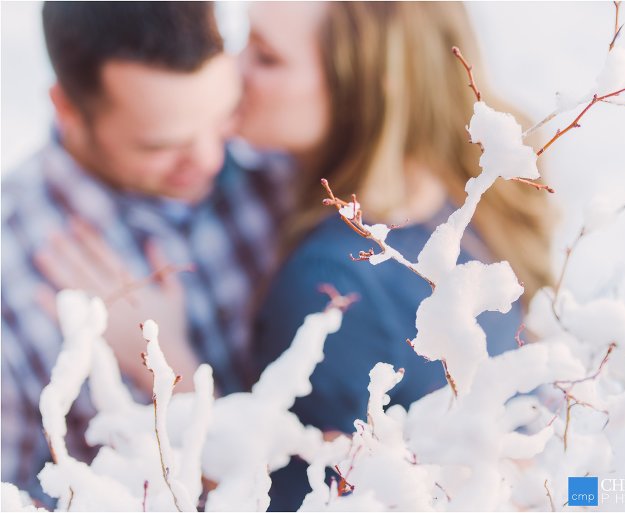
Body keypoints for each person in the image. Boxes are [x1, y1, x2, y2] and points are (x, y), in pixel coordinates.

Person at [239, 2, 556, 509]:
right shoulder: (471, 192)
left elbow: (304, 488)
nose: (235, 71)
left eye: (266, 57)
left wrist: (170, 374)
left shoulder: (332, 279)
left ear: (362, 89)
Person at [1, 2, 284, 503]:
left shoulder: (280, 159)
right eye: (160, 146)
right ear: (66, 108)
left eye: (223, 117)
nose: (209, 159)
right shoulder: (14, 266)